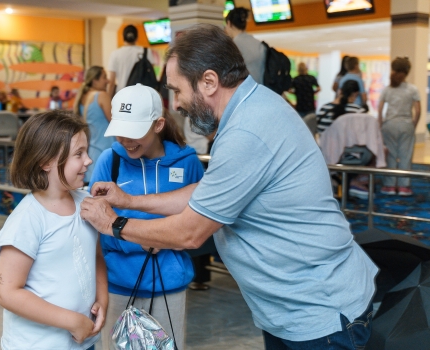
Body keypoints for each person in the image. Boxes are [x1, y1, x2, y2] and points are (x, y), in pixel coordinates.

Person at [80, 24, 378, 350]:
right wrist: (131, 200)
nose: (176, 104)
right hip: (291, 311)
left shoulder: (246, 132)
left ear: (209, 81)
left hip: (318, 315)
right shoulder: (252, 109)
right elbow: (207, 194)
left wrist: (115, 223)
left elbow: (189, 232)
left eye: (178, 91)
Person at [89, 84, 204, 350]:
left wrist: (167, 240)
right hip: (118, 285)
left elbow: (200, 224)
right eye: (121, 132)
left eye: (134, 132)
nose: (126, 141)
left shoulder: (187, 163)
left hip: (170, 286)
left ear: (158, 124)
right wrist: (137, 240)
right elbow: (95, 224)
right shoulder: (110, 161)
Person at [0, 111, 107, 349]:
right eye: (79, 154)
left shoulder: (84, 203)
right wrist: (72, 321)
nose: (88, 160)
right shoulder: (27, 220)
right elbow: (7, 292)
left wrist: (103, 300)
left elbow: (96, 257)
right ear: (45, 162)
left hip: (84, 342)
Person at [378, 57, 421, 196]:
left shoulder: (387, 89)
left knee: (390, 155)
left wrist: (380, 124)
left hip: (389, 124)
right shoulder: (413, 89)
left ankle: (389, 186)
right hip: (406, 124)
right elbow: (418, 111)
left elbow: (380, 110)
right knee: (405, 156)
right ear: (408, 71)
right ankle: (404, 187)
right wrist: (413, 124)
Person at [74, 66, 115, 183]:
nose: (107, 81)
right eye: (104, 77)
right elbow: (114, 123)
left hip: (91, 151)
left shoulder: (82, 97)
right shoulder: (101, 95)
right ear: (94, 80)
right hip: (106, 150)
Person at [107, 25, 154, 97]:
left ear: (123, 37)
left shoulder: (115, 54)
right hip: (141, 95)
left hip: (122, 94)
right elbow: (151, 74)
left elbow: (111, 82)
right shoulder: (146, 52)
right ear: (137, 37)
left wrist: (108, 99)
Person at [225, 7, 266, 85]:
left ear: (229, 23)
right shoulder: (259, 44)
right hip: (261, 90)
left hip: (244, 92)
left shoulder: (232, 46)